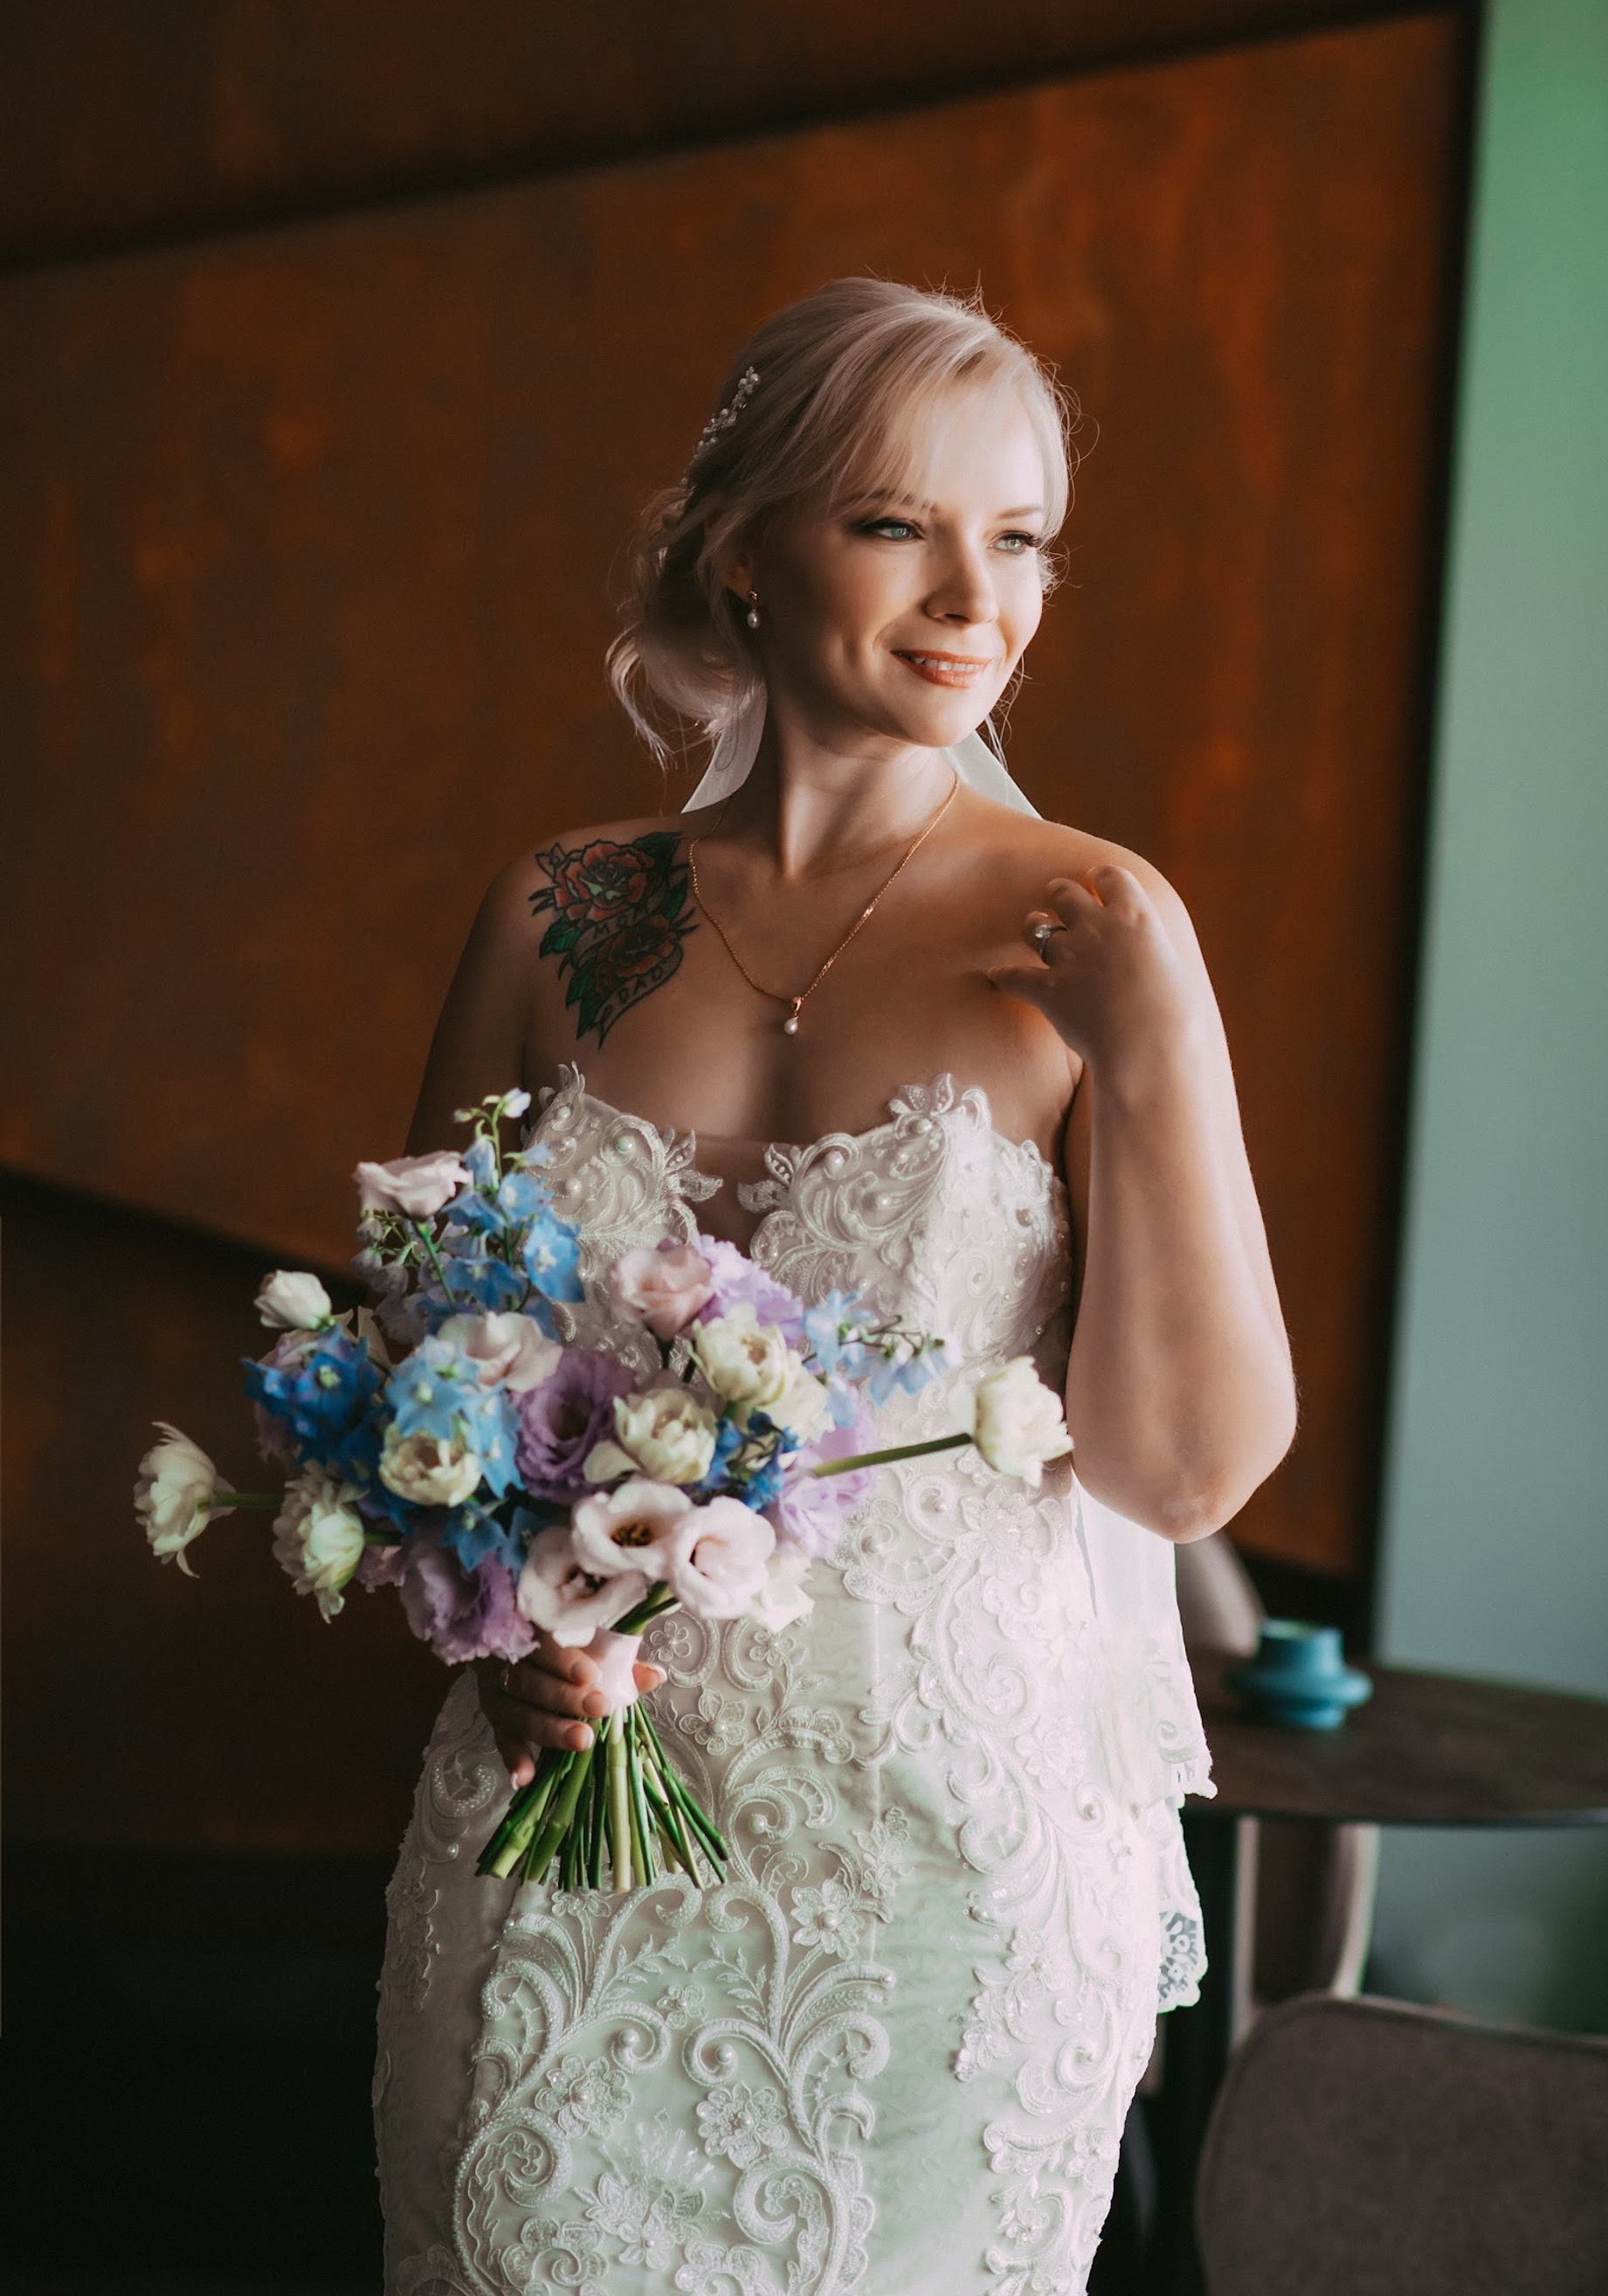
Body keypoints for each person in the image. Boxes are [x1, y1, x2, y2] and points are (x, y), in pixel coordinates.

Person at [375, 278, 1295, 2294]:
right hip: (571, 1828)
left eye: (1025, 535)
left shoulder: (1096, 926)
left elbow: (1190, 1472)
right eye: (900, 524)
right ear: (746, 554)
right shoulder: (567, 910)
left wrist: (1157, 1052)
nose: (981, 594)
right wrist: (506, 1626)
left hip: (947, 1881)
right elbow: (419, 1375)